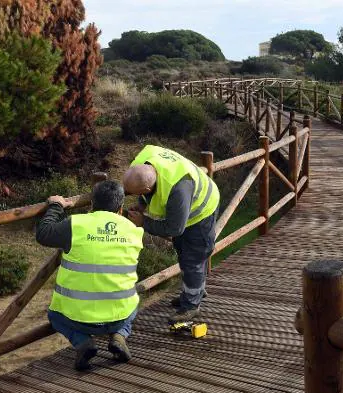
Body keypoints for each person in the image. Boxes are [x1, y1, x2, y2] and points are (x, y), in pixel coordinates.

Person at [35, 180, 144, 371]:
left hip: (76, 319)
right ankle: (120, 335)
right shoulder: (134, 231)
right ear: (120, 208)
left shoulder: (76, 225)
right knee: (133, 303)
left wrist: (56, 205)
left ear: (92, 204)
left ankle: (83, 342)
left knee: (54, 315)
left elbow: (43, 233)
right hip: (118, 316)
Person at [123, 145, 219, 323]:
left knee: (193, 258)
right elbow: (146, 190)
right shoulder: (141, 165)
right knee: (183, 251)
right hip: (185, 209)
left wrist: (143, 222)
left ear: (146, 188)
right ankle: (196, 290)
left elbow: (174, 229)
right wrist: (142, 205)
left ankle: (191, 306)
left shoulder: (178, 190)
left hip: (202, 211)